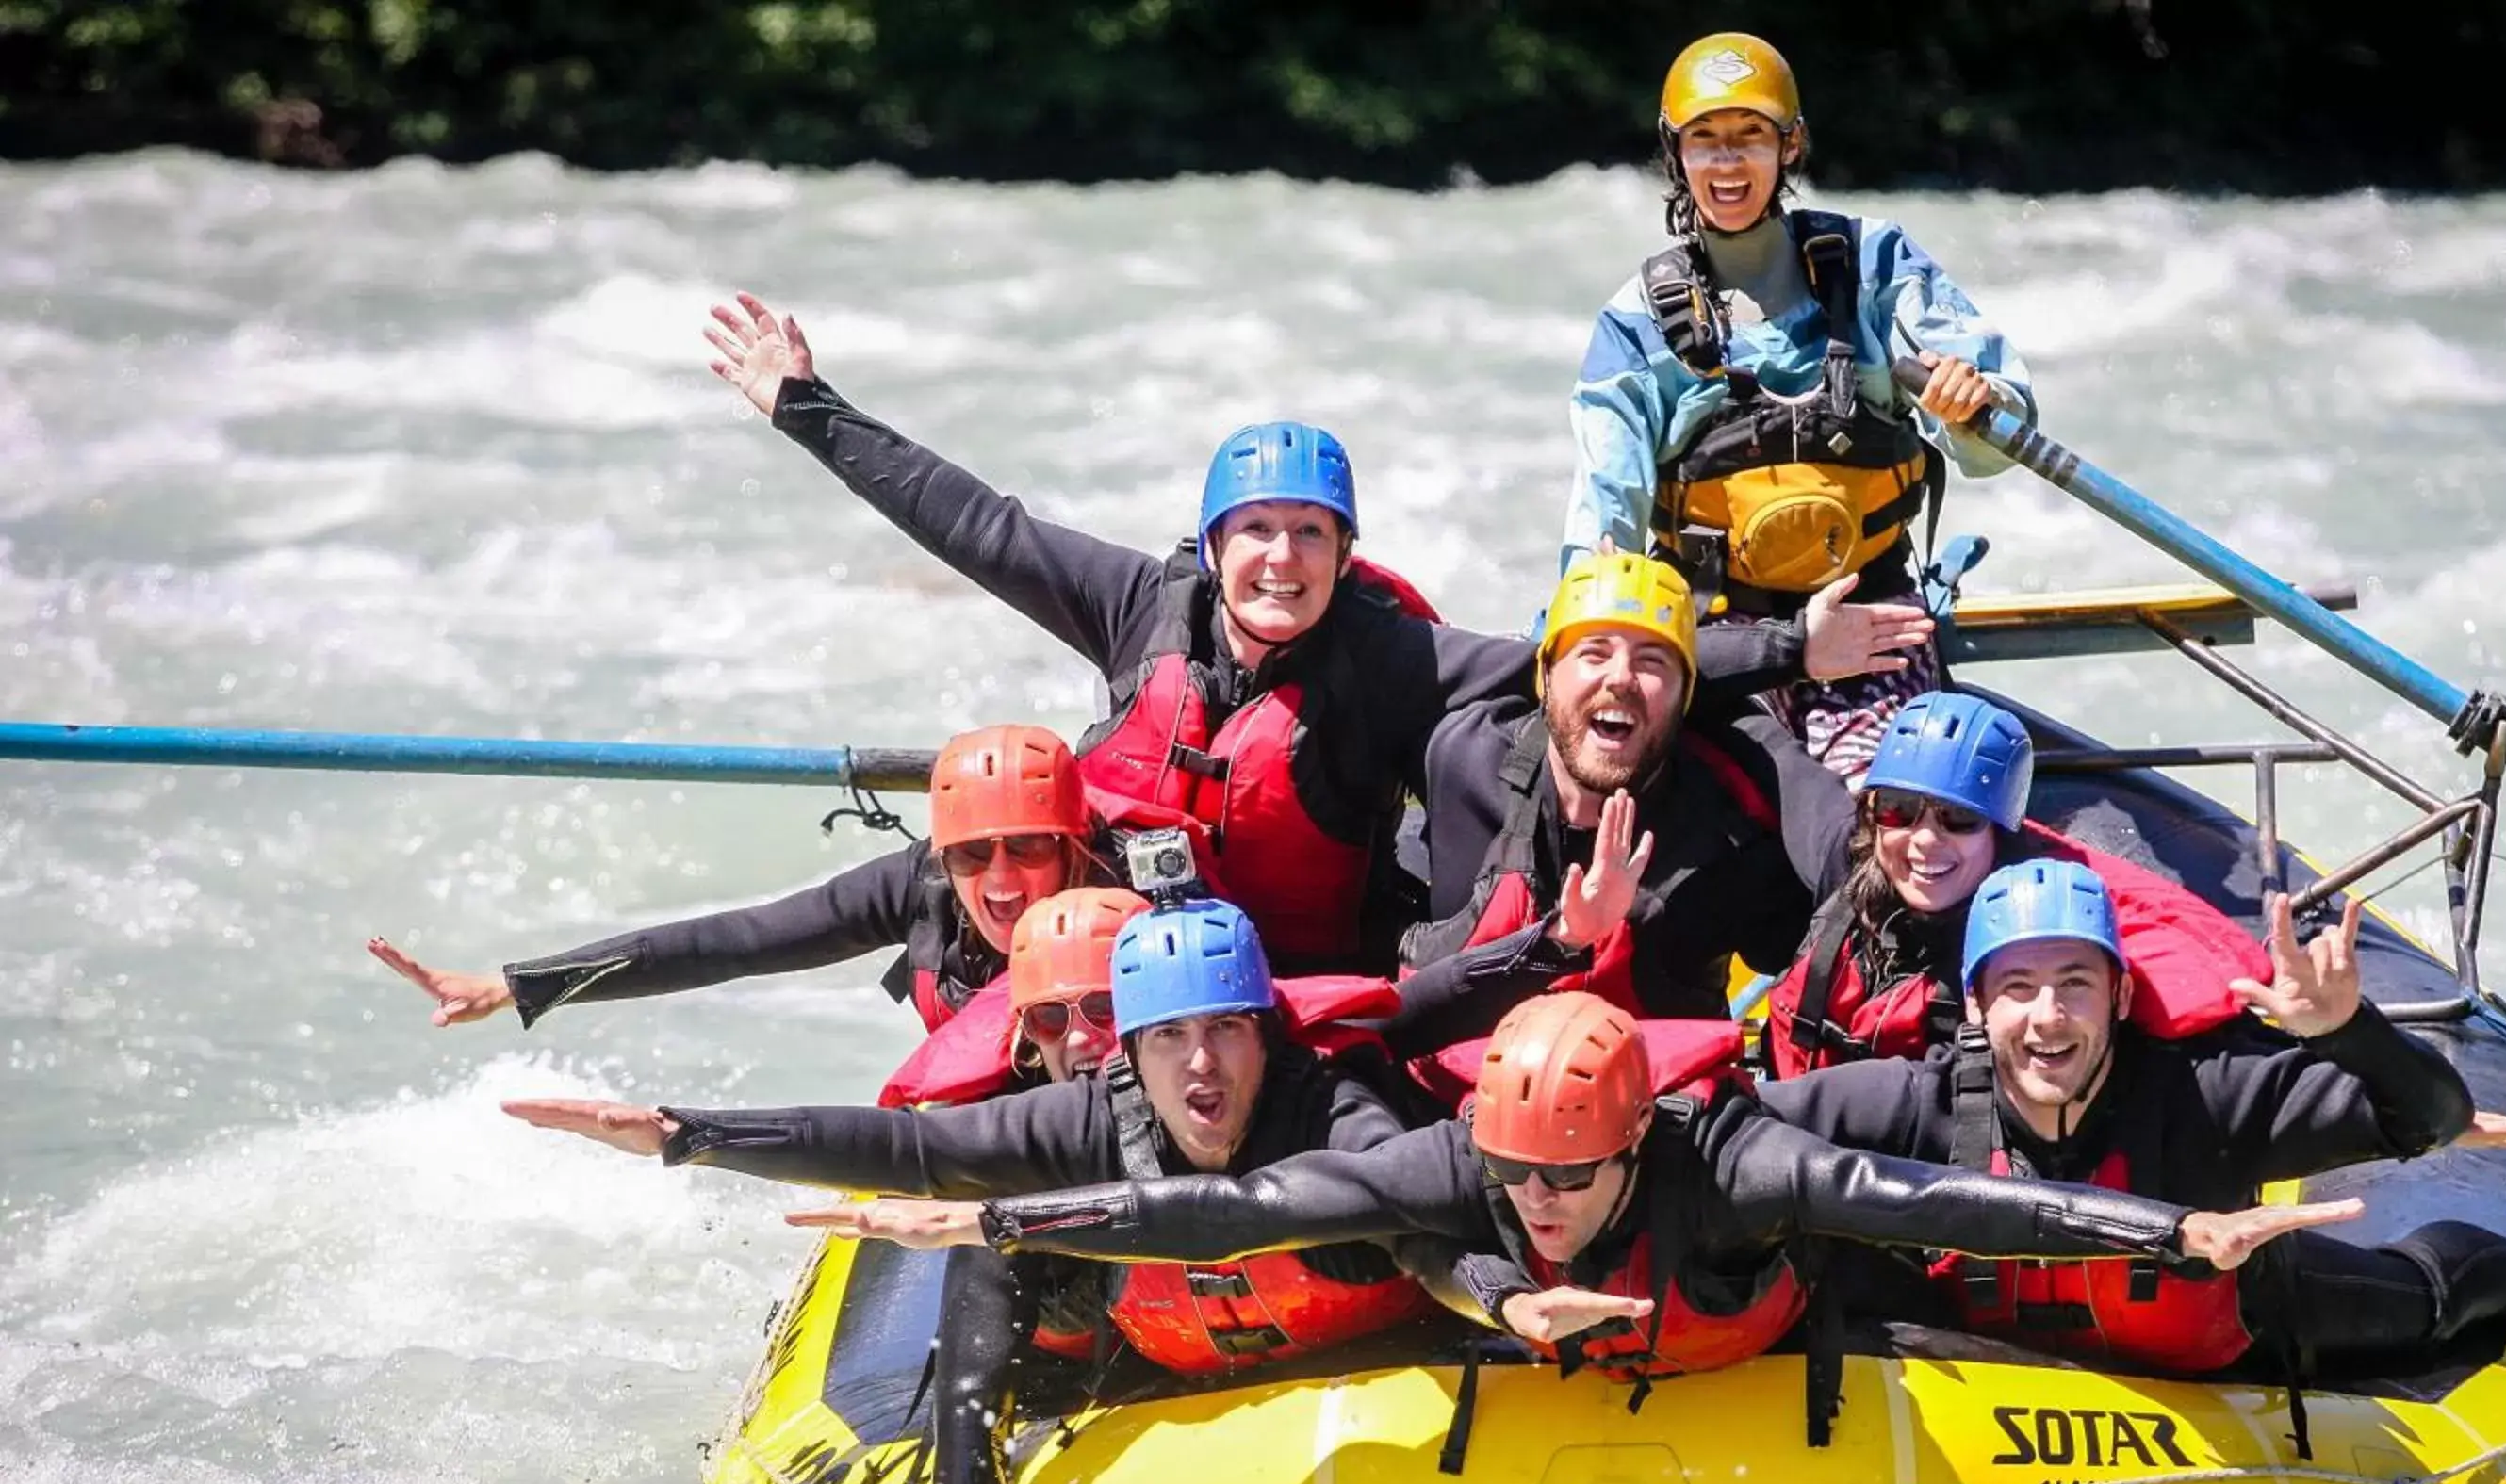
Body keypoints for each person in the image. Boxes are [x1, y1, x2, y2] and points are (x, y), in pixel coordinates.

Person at [702, 294, 1925, 972]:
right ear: (1214, 544)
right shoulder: (1140, 606)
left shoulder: (1389, 656)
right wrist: (809, 412)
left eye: (1308, 535)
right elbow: (979, 524)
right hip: (1121, 977)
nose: (1280, 559)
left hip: (1299, 998)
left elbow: (1587, 670)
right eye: (1257, 533)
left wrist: (1782, 652)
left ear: (1343, 554)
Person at [503, 897, 1453, 1484]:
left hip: (1386, 1368)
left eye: (1226, 1032)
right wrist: (689, 1133)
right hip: (1151, 1367)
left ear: (1266, 1038)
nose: (1201, 1062)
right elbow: (914, 1147)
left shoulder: (1334, 1106)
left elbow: (1440, 1208)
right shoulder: (1078, 1129)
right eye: (1169, 1037)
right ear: (1134, 1055)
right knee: (990, 1239)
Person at [801, 993, 2351, 1411]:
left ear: (1635, 1151)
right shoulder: (1462, 1167)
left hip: (1776, 1343)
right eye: (1520, 1178)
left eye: (1572, 1179)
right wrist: (1002, 1225)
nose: (1542, 1202)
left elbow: (1934, 1193)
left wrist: (2173, 1232)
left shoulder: (1733, 1163)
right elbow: (1235, 1213)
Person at [1759, 860, 2506, 1395]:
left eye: (2075, 985)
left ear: (2120, 995)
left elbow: (2430, 1116)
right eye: (2018, 987)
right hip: (2031, 1364)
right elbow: (1728, 1136)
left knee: (2438, 1297)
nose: (2047, 1018)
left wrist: (2347, 1030)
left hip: (2246, 1328)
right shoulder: (1911, 1104)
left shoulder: (2199, 1098)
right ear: (1977, 1004)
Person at [1564, 31, 2036, 776]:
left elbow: (1993, 445)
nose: (1727, 162)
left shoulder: (1877, 265)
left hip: (1873, 615)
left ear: (1790, 146)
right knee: (1723, 815)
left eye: (1750, 137)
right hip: (1716, 628)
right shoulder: (1636, 324)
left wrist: (1970, 405)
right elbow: (1605, 516)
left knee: (1881, 809)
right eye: (1705, 140)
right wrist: (1583, 617)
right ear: (1675, 152)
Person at [368, 723, 1107, 1036]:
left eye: (1029, 848)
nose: (1002, 878)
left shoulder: (1131, 911)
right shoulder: (924, 885)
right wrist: (518, 984)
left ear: (1073, 846)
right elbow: (741, 941)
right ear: (943, 856)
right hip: (986, 1136)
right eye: (975, 854)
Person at [1400, 549, 1859, 1019]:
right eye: (1594, 653)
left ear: (1687, 698)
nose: (1620, 678)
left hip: (1648, 1088)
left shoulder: (1726, 837)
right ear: (1544, 676)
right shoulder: (1464, 757)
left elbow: (1826, 947)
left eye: (1653, 661)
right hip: (1461, 1072)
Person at [1764, 692, 2268, 1074]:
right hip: (1806, 1144)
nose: (1922, 840)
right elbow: (1773, 758)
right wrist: (1787, 648)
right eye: (1899, 809)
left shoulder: (2042, 925)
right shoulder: (1853, 864)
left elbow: (2195, 985)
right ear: (1872, 815)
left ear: (2002, 834)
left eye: (1958, 818)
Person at [879, 885, 1150, 1108]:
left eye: (1105, 1007)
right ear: (1027, 1032)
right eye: (1049, 1016)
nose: (1078, 1037)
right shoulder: (1001, 1130)